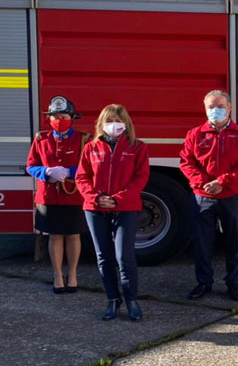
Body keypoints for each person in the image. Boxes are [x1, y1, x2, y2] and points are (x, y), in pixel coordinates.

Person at [76, 104, 150, 322]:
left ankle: (131, 300)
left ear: (126, 123)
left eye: (118, 120)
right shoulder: (91, 147)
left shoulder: (137, 147)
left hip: (126, 208)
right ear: (101, 123)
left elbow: (140, 178)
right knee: (103, 257)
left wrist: (118, 199)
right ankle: (112, 299)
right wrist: (97, 198)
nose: (114, 125)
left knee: (124, 256)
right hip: (96, 208)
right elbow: (82, 177)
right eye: (109, 120)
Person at [179, 90, 238, 302]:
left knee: (235, 241)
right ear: (205, 109)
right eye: (211, 107)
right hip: (203, 197)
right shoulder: (195, 134)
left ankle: (233, 283)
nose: (215, 111)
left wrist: (222, 182)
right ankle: (204, 282)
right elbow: (186, 163)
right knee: (202, 243)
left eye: (220, 107)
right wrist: (204, 183)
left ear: (229, 108)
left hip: (232, 196)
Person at [26, 96, 88, 294]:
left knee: (73, 235)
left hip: (74, 195)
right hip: (49, 196)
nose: (58, 120)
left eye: (63, 116)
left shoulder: (83, 139)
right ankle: (58, 275)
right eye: (55, 116)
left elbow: (90, 167)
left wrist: (70, 172)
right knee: (55, 236)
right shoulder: (41, 139)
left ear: (72, 118)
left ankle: (73, 274)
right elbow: (30, 166)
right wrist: (46, 172)